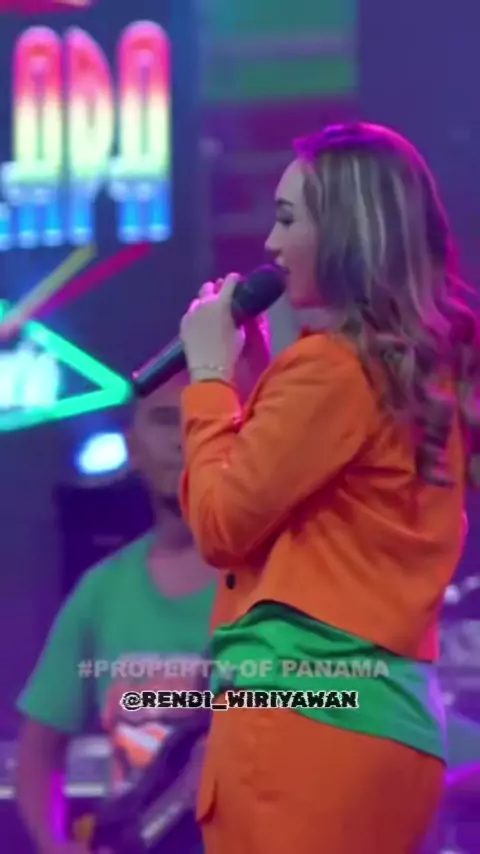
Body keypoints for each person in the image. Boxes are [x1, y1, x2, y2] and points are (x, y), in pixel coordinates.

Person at [178, 122, 480, 853]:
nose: (271, 245)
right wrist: (255, 383)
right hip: (387, 723)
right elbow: (317, 502)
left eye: (288, 220)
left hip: (304, 716)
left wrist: (210, 381)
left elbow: (221, 524)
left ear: (347, 232)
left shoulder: (331, 369)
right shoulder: (425, 373)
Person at [15, 375, 219, 854]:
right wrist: (54, 842)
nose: (181, 439)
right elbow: (37, 752)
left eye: (198, 421)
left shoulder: (275, 579)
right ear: (132, 446)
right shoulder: (101, 591)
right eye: (165, 420)